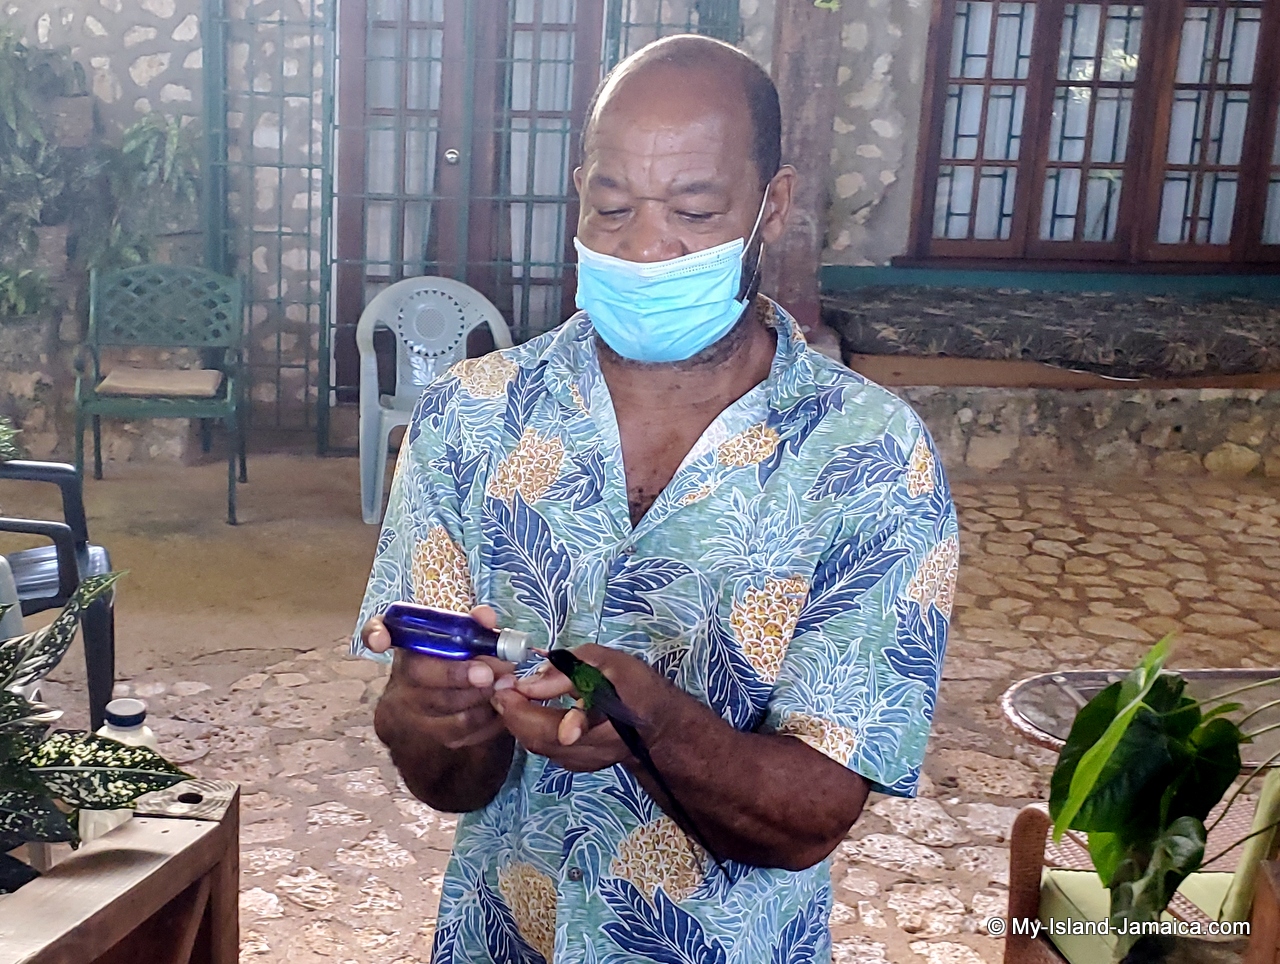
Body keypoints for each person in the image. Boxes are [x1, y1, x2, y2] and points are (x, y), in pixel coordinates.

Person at [354, 33, 958, 963]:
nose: (646, 248)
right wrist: (429, 716)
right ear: (579, 193)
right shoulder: (470, 418)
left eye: (692, 210)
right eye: (612, 207)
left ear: (773, 206)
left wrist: (654, 724)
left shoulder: (871, 456)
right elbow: (450, 784)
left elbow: (812, 820)